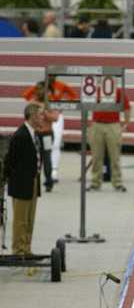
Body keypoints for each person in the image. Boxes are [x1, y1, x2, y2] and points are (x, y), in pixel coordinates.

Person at [4, 103, 43, 256]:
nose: (42, 118)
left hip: (33, 181)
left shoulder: (34, 134)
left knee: (29, 218)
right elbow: (10, 160)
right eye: (40, 115)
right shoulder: (20, 135)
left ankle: (26, 247)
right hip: (21, 183)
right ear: (32, 117)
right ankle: (18, 249)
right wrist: (7, 179)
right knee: (20, 219)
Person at [24, 76, 77, 184]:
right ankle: (35, 177)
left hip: (48, 130)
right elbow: (26, 95)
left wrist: (61, 106)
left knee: (52, 149)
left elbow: (73, 96)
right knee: (35, 155)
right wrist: (35, 96)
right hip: (38, 132)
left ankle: (52, 173)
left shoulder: (60, 86)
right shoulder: (37, 96)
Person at [87, 85, 131, 191]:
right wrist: (89, 123)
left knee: (115, 156)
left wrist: (126, 122)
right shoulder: (96, 91)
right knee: (96, 156)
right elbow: (86, 105)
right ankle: (95, 182)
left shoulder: (118, 91)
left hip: (113, 124)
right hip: (97, 124)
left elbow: (127, 107)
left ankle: (117, 182)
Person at [23, 82, 59, 192]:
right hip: (35, 134)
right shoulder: (32, 103)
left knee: (47, 158)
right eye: (38, 89)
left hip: (47, 134)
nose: (40, 92)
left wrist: (45, 113)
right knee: (32, 158)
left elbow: (55, 118)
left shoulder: (51, 104)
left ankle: (48, 182)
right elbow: (27, 118)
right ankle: (33, 181)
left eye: (42, 90)